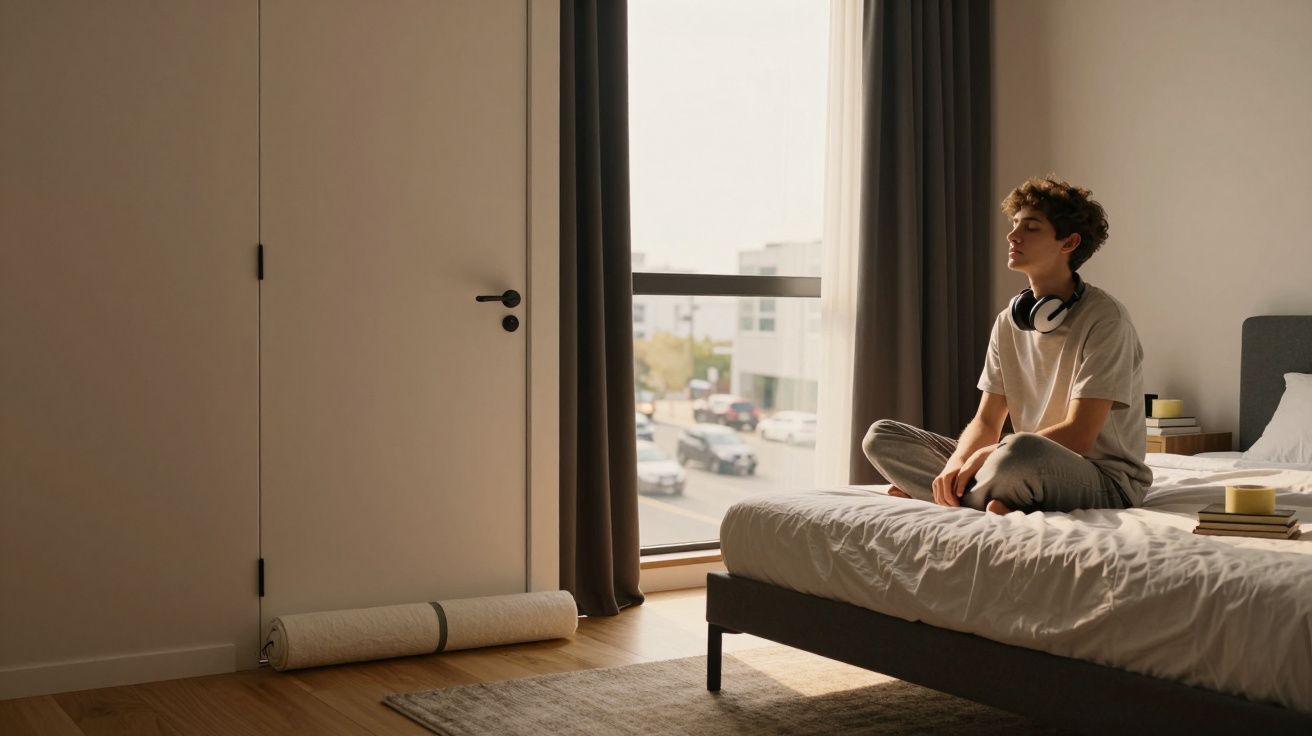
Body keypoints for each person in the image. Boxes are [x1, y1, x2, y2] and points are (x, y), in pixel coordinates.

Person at [862, 176, 1151, 514]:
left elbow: (1079, 434)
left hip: (1102, 478)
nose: (1012, 236)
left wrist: (991, 454)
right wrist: (955, 464)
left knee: (1018, 453)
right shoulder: (1009, 320)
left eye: (1031, 227)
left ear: (1069, 242)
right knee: (881, 437)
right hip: (1017, 460)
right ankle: (975, 494)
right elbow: (986, 422)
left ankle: (947, 494)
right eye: (1014, 224)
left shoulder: (1106, 320)